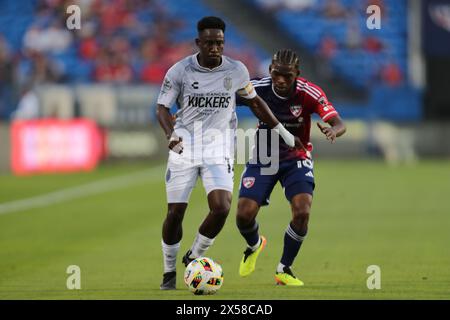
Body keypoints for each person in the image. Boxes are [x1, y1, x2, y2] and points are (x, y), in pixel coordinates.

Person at [156, 17, 300, 290]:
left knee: (221, 207)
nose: (214, 48)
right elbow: (162, 108)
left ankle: (194, 257)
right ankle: (168, 272)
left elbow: (254, 102)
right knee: (175, 213)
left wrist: (282, 132)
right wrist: (170, 135)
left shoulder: (236, 70)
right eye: (209, 43)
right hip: (184, 146)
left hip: (218, 147)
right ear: (198, 43)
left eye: (219, 43)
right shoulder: (179, 71)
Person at [236, 49, 346, 286]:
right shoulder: (257, 87)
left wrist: (332, 130)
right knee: (244, 216)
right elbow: (224, 98)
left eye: (287, 75)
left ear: (297, 73)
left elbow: (338, 123)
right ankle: (254, 244)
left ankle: (284, 269)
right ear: (270, 71)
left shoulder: (310, 92)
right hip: (263, 158)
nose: (281, 80)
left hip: (296, 158)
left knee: (302, 210)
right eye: (277, 74)